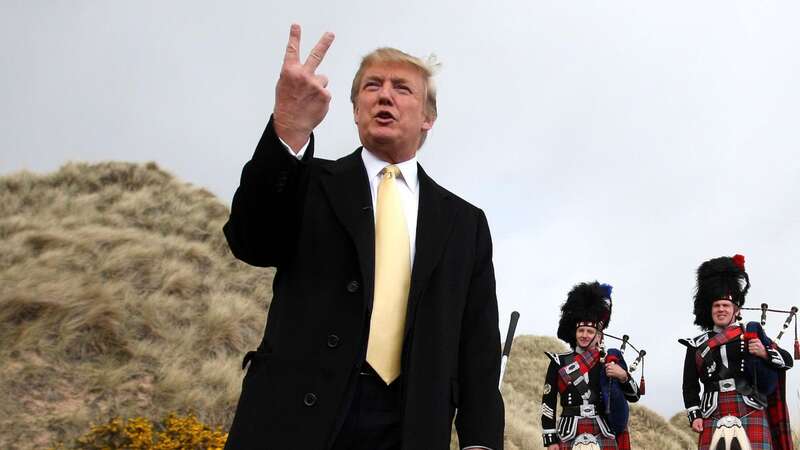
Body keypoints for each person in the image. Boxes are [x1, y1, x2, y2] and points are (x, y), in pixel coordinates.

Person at [222, 24, 504, 450]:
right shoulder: (309, 182)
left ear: (428, 117)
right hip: (293, 418)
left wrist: (480, 442)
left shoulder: (465, 224)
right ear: (355, 109)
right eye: (372, 86)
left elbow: (478, 347)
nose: (384, 95)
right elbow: (251, 241)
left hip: (410, 426)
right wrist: (288, 128)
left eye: (402, 88)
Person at [679, 254, 793, 450]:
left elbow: (787, 361)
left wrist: (764, 353)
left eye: (726, 305)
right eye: (716, 305)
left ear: (736, 310)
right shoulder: (695, 345)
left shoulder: (750, 333)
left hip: (750, 408)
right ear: (710, 310)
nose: (721, 309)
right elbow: (689, 386)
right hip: (712, 413)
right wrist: (694, 414)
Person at [541, 282, 640, 450]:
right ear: (575, 332)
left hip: (601, 429)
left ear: (598, 335)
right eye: (581, 331)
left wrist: (623, 376)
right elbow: (548, 404)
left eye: (589, 331)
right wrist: (550, 439)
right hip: (568, 430)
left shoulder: (608, 360)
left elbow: (634, 395)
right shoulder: (559, 362)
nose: (584, 335)